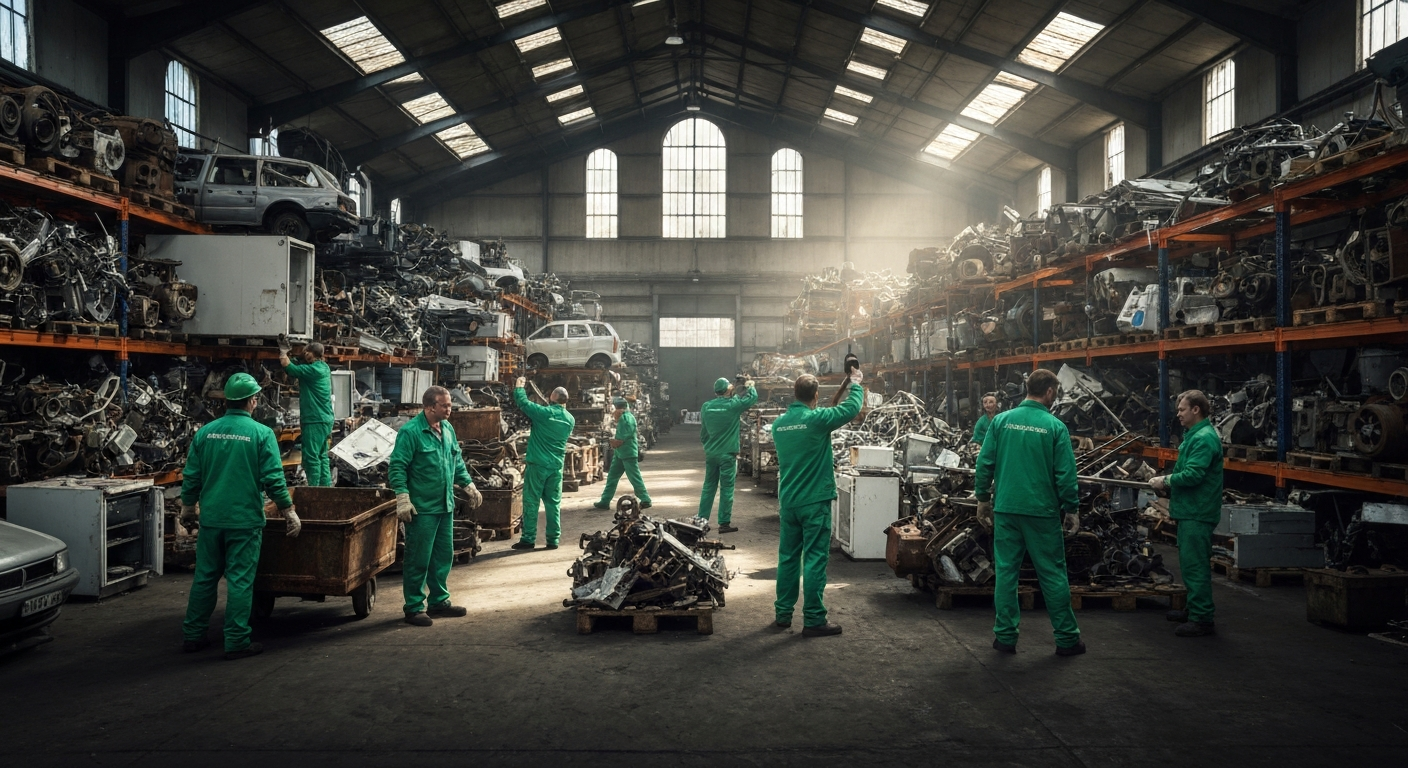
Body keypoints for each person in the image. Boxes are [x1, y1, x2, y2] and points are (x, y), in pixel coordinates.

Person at [180, 372, 299, 661]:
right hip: (243, 522)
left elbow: (192, 474)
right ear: (253, 401)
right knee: (240, 582)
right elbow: (273, 478)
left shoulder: (206, 433)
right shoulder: (261, 434)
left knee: (205, 579)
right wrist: (289, 510)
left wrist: (187, 506)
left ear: (227, 401)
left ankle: (193, 636)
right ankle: (235, 641)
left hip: (211, 520)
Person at [974, 368, 1084, 657]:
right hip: (1042, 511)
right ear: (1048, 392)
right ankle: (1067, 640)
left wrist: (983, 498)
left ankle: (1005, 638)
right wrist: (1071, 508)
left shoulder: (1001, 421)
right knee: (1052, 574)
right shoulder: (1055, 427)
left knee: (1006, 572)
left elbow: (984, 463)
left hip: (1007, 508)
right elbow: (1065, 474)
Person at [771, 369, 864, 637]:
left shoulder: (779, 425)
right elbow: (851, 408)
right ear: (815, 396)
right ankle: (813, 619)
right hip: (814, 501)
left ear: (794, 394)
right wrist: (855, 384)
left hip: (789, 501)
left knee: (788, 557)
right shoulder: (817, 420)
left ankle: (783, 614)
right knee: (813, 559)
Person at [389, 385, 481, 627]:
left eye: (450, 405)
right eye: (445, 405)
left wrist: (468, 485)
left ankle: (439, 601)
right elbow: (397, 466)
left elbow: (456, 460)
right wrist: (402, 498)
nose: (450, 409)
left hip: (444, 505)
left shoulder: (447, 428)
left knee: (442, 556)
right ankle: (414, 607)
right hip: (422, 508)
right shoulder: (410, 433)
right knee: (418, 558)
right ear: (429, 407)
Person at [1151, 390, 1223, 638]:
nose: (1178, 414)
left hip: (1198, 511)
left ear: (1196, 409)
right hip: (1192, 510)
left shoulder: (1203, 439)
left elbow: (1193, 475)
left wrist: (1165, 480)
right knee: (1190, 564)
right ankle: (1194, 609)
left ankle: (1202, 618)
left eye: (1182, 409)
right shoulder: (1195, 435)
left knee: (1196, 566)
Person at [512, 378, 575, 551]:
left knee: (531, 501)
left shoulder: (545, 413)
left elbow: (523, 403)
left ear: (551, 398)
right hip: (556, 466)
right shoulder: (570, 419)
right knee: (553, 503)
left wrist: (519, 387)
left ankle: (528, 539)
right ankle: (553, 540)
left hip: (538, 464)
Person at [697, 376, 758, 533]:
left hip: (711, 453)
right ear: (728, 390)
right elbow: (752, 398)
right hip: (727, 454)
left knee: (708, 486)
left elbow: (703, 432)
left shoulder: (706, 406)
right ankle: (724, 523)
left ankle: (701, 520)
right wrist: (749, 384)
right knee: (726, 488)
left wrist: (708, 446)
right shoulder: (733, 405)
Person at [278, 337, 334, 487]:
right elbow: (299, 364)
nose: (304, 354)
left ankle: (313, 490)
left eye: (306, 352)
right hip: (324, 419)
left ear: (311, 354)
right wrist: (296, 356)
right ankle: (325, 489)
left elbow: (289, 367)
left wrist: (284, 352)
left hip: (314, 419)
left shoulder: (313, 370)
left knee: (311, 457)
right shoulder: (323, 367)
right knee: (321, 455)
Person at [594, 397, 650, 510]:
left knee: (634, 477)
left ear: (619, 408)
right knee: (612, 477)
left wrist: (610, 441)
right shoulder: (624, 418)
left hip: (628, 453)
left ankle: (645, 499)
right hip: (620, 454)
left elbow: (620, 440)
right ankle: (605, 501)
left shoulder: (626, 419)